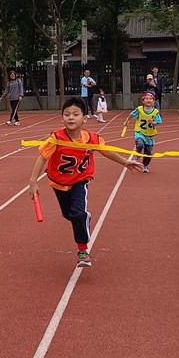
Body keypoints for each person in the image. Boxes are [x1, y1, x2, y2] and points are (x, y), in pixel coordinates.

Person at [29, 97, 142, 267]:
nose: (71, 118)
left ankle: (83, 250)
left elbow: (107, 151)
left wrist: (125, 162)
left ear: (84, 118)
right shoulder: (55, 138)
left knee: (79, 214)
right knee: (69, 215)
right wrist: (33, 181)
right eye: (67, 114)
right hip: (58, 182)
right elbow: (42, 158)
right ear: (62, 118)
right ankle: (81, 219)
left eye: (75, 114)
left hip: (80, 181)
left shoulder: (91, 138)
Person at [123, 92, 162, 173]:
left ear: (153, 101)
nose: (148, 100)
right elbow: (131, 114)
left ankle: (145, 165)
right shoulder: (139, 109)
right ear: (143, 101)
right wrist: (127, 121)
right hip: (139, 131)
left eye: (150, 99)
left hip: (150, 134)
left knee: (148, 153)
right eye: (146, 99)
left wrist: (152, 122)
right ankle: (137, 155)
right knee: (140, 144)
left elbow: (158, 122)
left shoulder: (155, 112)